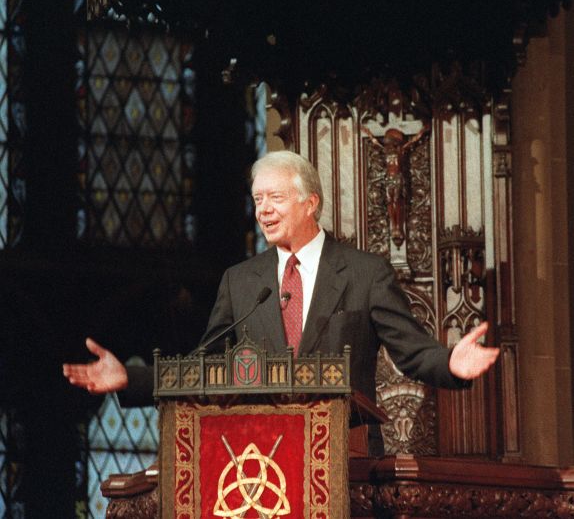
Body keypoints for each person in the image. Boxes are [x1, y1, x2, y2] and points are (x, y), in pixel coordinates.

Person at [63, 150, 499, 407]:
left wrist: (451, 364)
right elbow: (204, 366)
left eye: (275, 198)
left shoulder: (365, 273)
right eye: (257, 199)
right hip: (261, 460)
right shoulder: (241, 281)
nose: (263, 210)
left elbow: (412, 352)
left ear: (311, 203)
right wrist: (133, 378)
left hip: (346, 461)